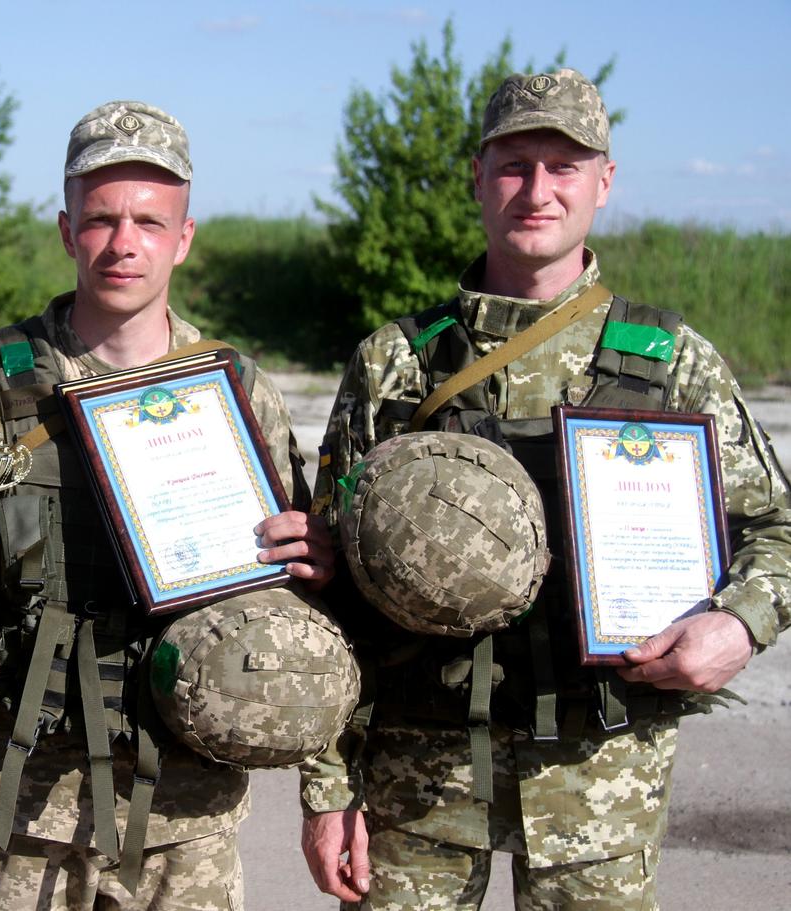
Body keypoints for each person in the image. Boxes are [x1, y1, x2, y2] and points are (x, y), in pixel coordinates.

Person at [298, 68, 791, 909]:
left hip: (599, 777)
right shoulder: (399, 364)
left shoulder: (668, 361)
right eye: (514, 165)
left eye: (563, 167)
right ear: (479, 178)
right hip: (418, 776)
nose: (537, 190)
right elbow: (325, 586)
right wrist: (325, 785)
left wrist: (738, 625)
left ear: (604, 181)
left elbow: (777, 531)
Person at [0, 100, 338, 910]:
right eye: (101, 219)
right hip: (20, 799)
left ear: (184, 237)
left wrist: (314, 565)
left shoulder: (233, 389)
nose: (125, 243)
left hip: (185, 805)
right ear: (65, 229)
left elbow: (299, 609)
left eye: (151, 222)